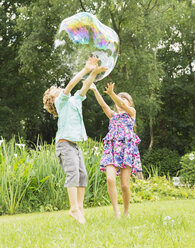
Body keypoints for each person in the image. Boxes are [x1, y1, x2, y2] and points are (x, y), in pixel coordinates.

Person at [43, 57, 107, 224]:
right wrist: (86, 70)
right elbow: (71, 84)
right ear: (53, 100)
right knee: (72, 174)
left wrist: (94, 72)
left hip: (74, 145)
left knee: (82, 175)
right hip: (64, 144)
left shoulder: (74, 100)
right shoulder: (61, 102)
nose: (59, 89)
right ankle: (73, 208)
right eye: (55, 90)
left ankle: (79, 208)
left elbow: (85, 86)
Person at [90, 82, 142, 218]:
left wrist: (112, 94)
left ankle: (126, 211)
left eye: (125, 99)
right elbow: (103, 105)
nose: (122, 102)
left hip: (127, 150)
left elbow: (124, 105)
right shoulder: (113, 116)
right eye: (120, 99)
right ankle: (116, 211)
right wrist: (95, 90)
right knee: (110, 180)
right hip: (111, 149)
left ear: (130, 103)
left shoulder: (132, 113)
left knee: (125, 185)